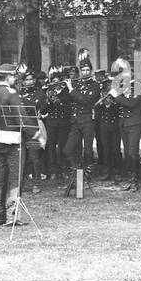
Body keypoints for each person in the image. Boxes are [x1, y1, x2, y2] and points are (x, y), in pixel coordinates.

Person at [0, 63, 27, 225]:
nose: (15, 79)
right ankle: (13, 216)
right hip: (13, 140)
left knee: (0, 178)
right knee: (15, 177)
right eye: (14, 76)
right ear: (8, 77)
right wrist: (36, 134)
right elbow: (22, 119)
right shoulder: (11, 93)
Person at [62, 59, 98, 190]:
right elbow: (67, 100)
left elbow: (85, 100)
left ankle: (86, 178)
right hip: (75, 122)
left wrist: (71, 89)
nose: (85, 72)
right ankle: (76, 175)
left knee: (87, 150)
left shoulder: (95, 85)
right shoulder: (76, 84)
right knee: (68, 149)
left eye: (88, 70)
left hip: (88, 121)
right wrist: (63, 90)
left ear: (91, 71)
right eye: (83, 70)